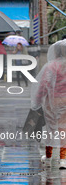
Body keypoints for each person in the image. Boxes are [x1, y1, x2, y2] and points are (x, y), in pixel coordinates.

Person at [31, 40, 66, 169]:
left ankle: (49, 156)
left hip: (51, 102)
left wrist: (37, 101)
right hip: (65, 102)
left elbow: (43, 85)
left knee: (50, 129)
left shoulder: (50, 66)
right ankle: (63, 159)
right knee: (63, 130)